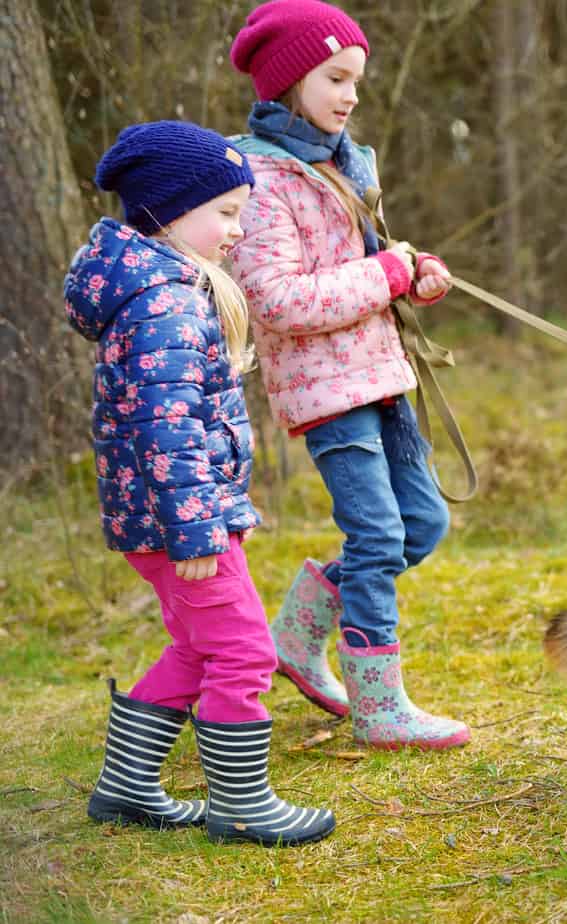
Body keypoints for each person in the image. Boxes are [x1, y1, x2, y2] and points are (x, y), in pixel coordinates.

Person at [65, 120, 335, 847]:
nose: (238, 230)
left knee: (198, 646)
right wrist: (195, 531)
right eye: (226, 212)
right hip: (180, 520)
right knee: (245, 649)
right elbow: (168, 428)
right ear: (168, 210)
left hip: (169, 518)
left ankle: (125, 788)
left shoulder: (161, 288)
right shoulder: (166, 304)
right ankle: (243, 806)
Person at [227, 0, 469, 750]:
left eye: (356, 79)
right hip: (325, 391)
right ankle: (380, 706)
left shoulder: (348, 162)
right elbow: (276, 300)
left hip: (380, 374)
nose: (351, 94)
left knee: (422, 524)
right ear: (289, 81)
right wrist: (384, 273)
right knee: (375, 534)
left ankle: (298, 633)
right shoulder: (259, 180)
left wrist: (411, 272)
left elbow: (368, 266)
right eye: (336, 77)